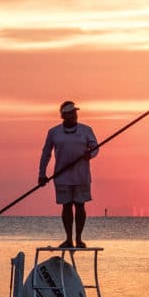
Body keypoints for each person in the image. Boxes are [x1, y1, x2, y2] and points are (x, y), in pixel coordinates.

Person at [38, 100, 99, 248]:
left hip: (81, 175)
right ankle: (68, 239)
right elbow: (46, 153)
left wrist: (89, 154)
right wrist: (42, 174)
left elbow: (95, 147)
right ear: (64, 115)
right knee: (66, 206)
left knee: (80, 205)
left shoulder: (86, 130)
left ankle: (78, 239)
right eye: (71, 113)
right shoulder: (54, 132)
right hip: (62, 175)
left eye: (75, 112)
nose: (74, 115)